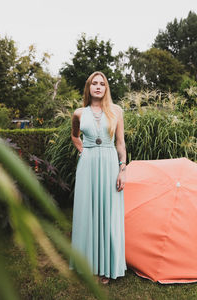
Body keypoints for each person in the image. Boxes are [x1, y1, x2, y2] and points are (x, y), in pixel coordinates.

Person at [70, 71, 127, 284]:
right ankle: (89, 264)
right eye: (94, 83)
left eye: (102, 84)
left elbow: (120, 142)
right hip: (88, 164)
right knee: (88, 211)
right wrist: (83, 150)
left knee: (108, 212)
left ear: (106, 88)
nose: (98, 87)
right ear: (88, 87)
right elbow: (75, 136)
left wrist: (122, 168)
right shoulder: (78, 112)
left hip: (110, 163)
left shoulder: (116, 111)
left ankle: (108, 266)